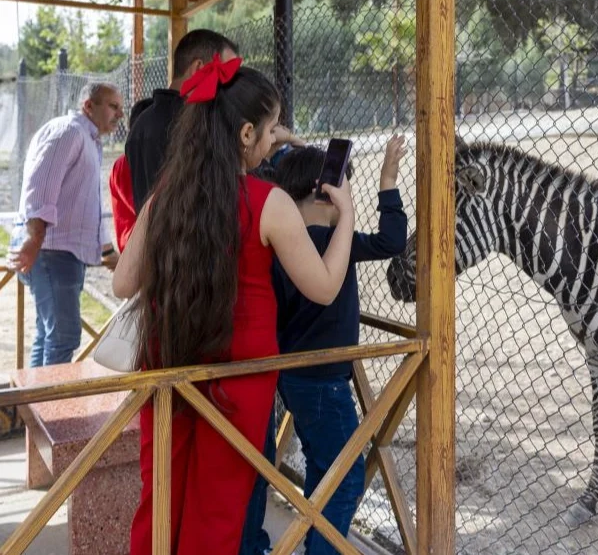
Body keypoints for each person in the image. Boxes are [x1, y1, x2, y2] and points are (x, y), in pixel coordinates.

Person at [112, 55, 356, 555]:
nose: (273, 142)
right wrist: (347, 214)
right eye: (269, 131)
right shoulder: (270, 202)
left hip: (168, 364)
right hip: (239, 376)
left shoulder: (166, 197)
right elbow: (326, 286)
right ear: (246, 134)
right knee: (217, 512)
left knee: (161, 501)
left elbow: (121, 284)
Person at [243, 137, 408, 555]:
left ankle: (315, 542)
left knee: (324, 468)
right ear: (327, 191)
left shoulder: (279, 241)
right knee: (345, 476)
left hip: (293, 380)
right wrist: (388, 181)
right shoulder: (338, 241)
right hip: (327, 385)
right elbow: (392, 241)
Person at [10, 82, 123, 366]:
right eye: (113, 106)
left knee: (51, 337)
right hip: (51, 251)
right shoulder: (69, 131)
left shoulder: (89, 140)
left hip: (60, 253)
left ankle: (32, 404)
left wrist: (107, 251)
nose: (120, 114)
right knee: (64, 337)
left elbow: (87, 204)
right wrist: (33, 239)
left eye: (121, 108)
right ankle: (46, 407)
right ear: (88, 106)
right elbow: (41, 183)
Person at [124, 29, 239, 212]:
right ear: (199, 68)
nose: (230, 88)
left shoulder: (142, 122)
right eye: (226, 75)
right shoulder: (196, 122)